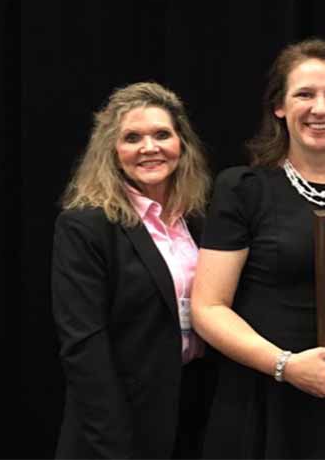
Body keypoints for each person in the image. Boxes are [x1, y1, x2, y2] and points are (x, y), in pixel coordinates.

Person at [191, 39, 325, 459]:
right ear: (279, 107)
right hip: (264, 399)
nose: (320, 108)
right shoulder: (243, 189)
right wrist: (287, 366)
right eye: (304, 94)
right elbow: (208, 308)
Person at [52, 82, 216, 459]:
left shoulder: (198, 221)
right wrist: (114, 442)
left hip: (193, 409)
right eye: (132, 137)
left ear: (182, 144)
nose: (149, 148)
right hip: (119, 423)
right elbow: (83, 345)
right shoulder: (85, 226)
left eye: (162, 134)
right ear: (112, 150)